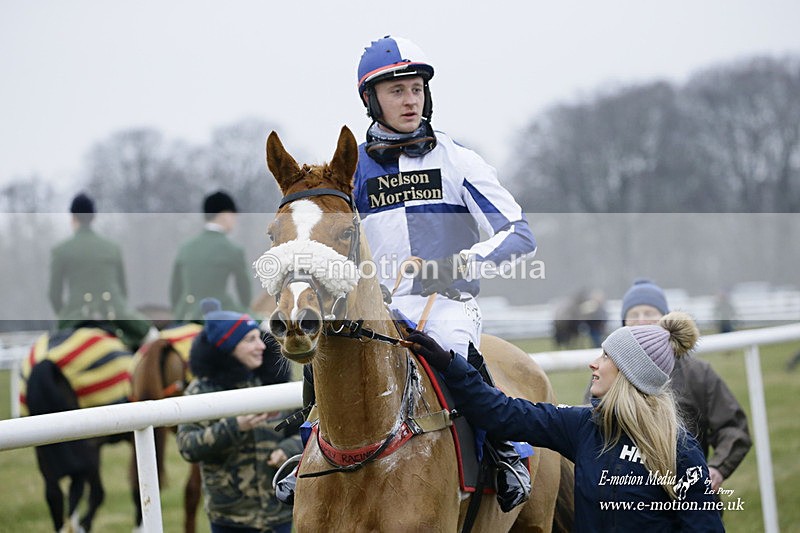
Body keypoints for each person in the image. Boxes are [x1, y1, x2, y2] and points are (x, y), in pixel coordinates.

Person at [405, 313, 726, 532]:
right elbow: (502, 413)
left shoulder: (681, 452)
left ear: (629, 374)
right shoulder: (585, 426)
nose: (594, 363)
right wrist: (450, 365)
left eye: (606, 357)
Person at [585, 278, 751, 493]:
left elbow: (733, 427)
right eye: (634, 315)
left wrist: (717, 468)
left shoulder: (698, 373)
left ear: (666, 319)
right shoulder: (605, 373)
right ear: (623, 323)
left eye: (649, 313)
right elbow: (588, 429)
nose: (641, 321)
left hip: (687, 494)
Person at [176, 299, 301, 533]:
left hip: (279, 512)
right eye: (249, 340)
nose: (262, 346)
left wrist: (288, 449)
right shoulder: (200, 391)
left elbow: (308, 430)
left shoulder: (275, 384)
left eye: (259, 338)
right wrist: (235, 426)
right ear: (228, 348)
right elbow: (187, 446)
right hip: (229, 518)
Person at [48, 192, 155, 349]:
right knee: (153, 339)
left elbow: (54, 295)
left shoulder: (61, 250)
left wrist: (67, 314)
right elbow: (123, 292)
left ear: (73, 218)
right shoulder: (112, 248)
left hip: (75, 317)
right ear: (93, 217)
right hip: (115, 314)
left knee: (47, 353)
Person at [170, 190, 253, 322]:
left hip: (185, 315)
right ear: (225, 215)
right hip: (221, 312)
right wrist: (247, 313)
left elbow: (175, 290)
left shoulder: (185, 247)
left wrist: (179, 313)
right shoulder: (233, 249)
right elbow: (245, 294)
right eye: (233, 215)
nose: (235, 220)